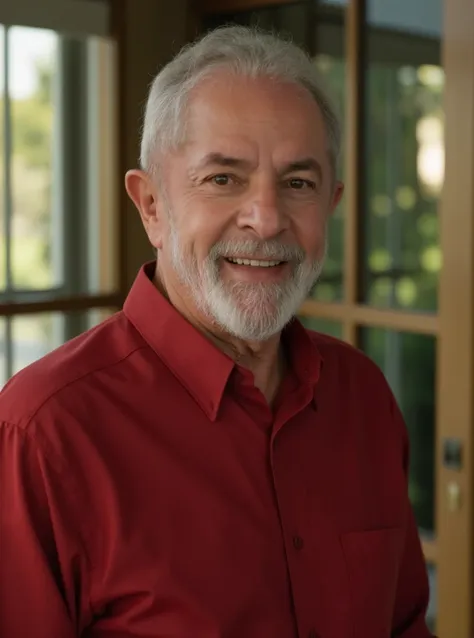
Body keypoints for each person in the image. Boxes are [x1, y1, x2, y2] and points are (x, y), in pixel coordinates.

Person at [0, 25, 435, 638]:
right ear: (151, 205)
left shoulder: (363, 397)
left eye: (298, 183)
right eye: (223, 179)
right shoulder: (42, 435)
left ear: (331, 204)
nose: (266, 218)